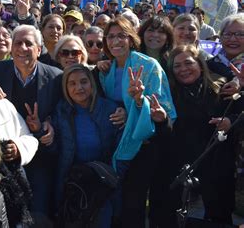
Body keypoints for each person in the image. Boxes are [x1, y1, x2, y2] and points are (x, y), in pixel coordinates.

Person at [99, 17, 176, 227]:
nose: (116, 41)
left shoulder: (149, 66)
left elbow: (161, 107)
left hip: (144, 145)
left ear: (131, 39)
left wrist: (138, 102)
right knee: (121, 202)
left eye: (122, 36)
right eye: (111, 36)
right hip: (116, 142)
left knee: (136, 203)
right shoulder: (106, 70)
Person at [0, 24, 62, 225]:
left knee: (38, 212)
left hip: (40, 156)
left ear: (39, 49)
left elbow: (63, 109)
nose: (22, 48)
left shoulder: (56, 77)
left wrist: (49, 123)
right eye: (17, 43)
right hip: (3, 159)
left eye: (28, 43)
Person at [167, 45, 236, 226]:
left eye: (188, 63)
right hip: (181, 164)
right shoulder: (169, 93)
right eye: (177, 66)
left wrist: (230, 121)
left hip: (216, 163)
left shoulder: (222, 87)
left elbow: (239, 115)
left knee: (219, 214)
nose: (183, 69)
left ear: (200, 64)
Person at [51, 64, 126, 227]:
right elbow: (55, 148)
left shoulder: (110, 109)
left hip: (103, 182)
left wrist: (114, 176)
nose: (79, 87)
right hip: (73, 182)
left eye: (84, 82)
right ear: (66, 87)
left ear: (92, 84)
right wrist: (43, 134)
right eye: (72, 83)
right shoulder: (61, 111)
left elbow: (121, 148)